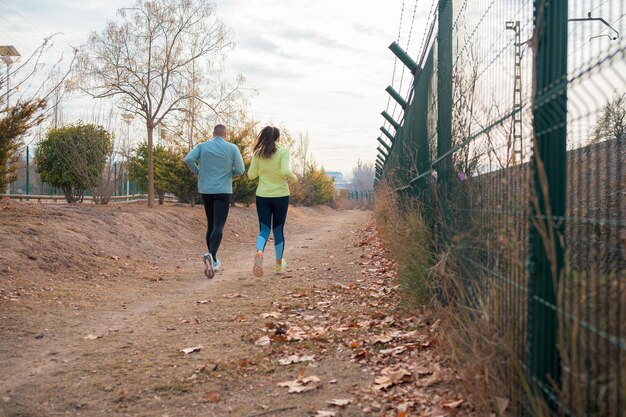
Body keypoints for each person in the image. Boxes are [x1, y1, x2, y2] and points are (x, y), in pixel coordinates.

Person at [184, 124, 245, 279]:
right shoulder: (232, 148)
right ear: (226, 134)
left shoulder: (202, 146)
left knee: (211, 224)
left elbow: (189, 159)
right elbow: (240, 170)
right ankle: (211, 254)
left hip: (206, 191)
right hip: (223, 191)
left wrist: (198, 172)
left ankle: (214, 259)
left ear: (213, 134)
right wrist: (230, 174)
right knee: (218, 225)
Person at [247, 126, 298, 276]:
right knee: (278, 229)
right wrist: (294, 178)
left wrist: (262, 170)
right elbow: (284, 172)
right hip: (281, 196)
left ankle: (260, 251)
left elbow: (251, 175)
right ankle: (278, 265)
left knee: (264, 229)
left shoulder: (257, 154)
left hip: (262, 195)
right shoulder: (283, 152)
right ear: (278, 138)